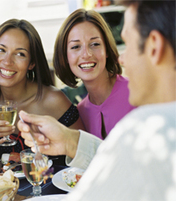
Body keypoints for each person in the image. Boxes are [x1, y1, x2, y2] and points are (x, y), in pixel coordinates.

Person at [18, 0, 175, 200]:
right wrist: (69, 141)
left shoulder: (146, 110)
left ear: (154, 46)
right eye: (76, 47)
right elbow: (124, 169)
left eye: (128, 44)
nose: (122, 58)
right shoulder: (80, 110)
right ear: (64, 56)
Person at [0, 19, 84, 165]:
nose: (7, 61)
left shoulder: (54, 101)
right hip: (8, 187)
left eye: (20, 54)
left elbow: (85, 156)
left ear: (32, 63)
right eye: (1, 50)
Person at [53, 8, 136, 139]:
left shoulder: (136, 93)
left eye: (95, 44)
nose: (86, 54)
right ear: (65, 57)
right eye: (76, 47)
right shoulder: (80, 114)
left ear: (107, 50)